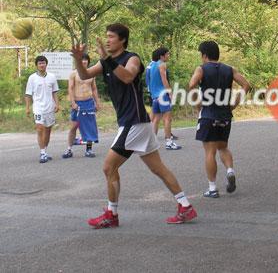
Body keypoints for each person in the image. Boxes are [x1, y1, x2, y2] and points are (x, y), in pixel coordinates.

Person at [71, 23, 197, 227]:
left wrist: (106, 58)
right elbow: (84, 75)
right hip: (136, 123)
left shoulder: (132, 58)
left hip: (134, 122)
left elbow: (128, 76)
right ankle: (185, 206)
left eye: (111, 36)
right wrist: (78, 59)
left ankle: (111, 214)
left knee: (108, 166)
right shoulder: (106, 62)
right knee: (159, 169)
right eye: (107, 36)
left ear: (122, 40)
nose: (108, 39)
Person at [189, 41, 251, 198]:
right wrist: (234, 104)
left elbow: (192, 85)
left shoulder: (201, 69)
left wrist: (198, 105)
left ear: (204, 55)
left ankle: (212, 188)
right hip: (225, 115)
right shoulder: (230, 69)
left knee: (209, 152)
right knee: (223, 147)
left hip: (209, 114)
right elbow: (246, 85)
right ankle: (230, 171)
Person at [62, 54, 100, 159]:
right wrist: (73, 102)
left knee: (89, 126)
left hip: (88, 102)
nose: (84, 62)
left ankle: (89, 149)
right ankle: (69, 149)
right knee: (73, 126)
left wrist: (97, 102)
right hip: (78, 103)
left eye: (85, 60)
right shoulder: (73, 73)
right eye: (82, 60)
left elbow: (94, 89)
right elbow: (70, 88)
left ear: (88, 61)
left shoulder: (91, 73)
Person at [25, 55, 59, 163]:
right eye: (39, 63)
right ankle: (42, 153)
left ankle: (45, 150)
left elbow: (55, 92)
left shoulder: (52, 77)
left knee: (48, 130)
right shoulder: (32, 78)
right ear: (36, 65)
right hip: (38, 108)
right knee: (40, 128)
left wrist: (57, 104)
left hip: (49, 107)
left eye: (43, 63)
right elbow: (28, 94)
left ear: (46, 64)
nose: (41, 65)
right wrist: (27, 108)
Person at [146, 47, 181, 150]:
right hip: (163, 95)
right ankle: (169, 142)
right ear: (162, 56)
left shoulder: (152, 66)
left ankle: (152, 143)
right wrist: (170, 93)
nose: (168, 56)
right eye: (167, 54)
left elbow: (150, 82)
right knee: (167, 119)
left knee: (156, 119)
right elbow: (164, 80)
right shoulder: (162, 64)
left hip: (155, 96)